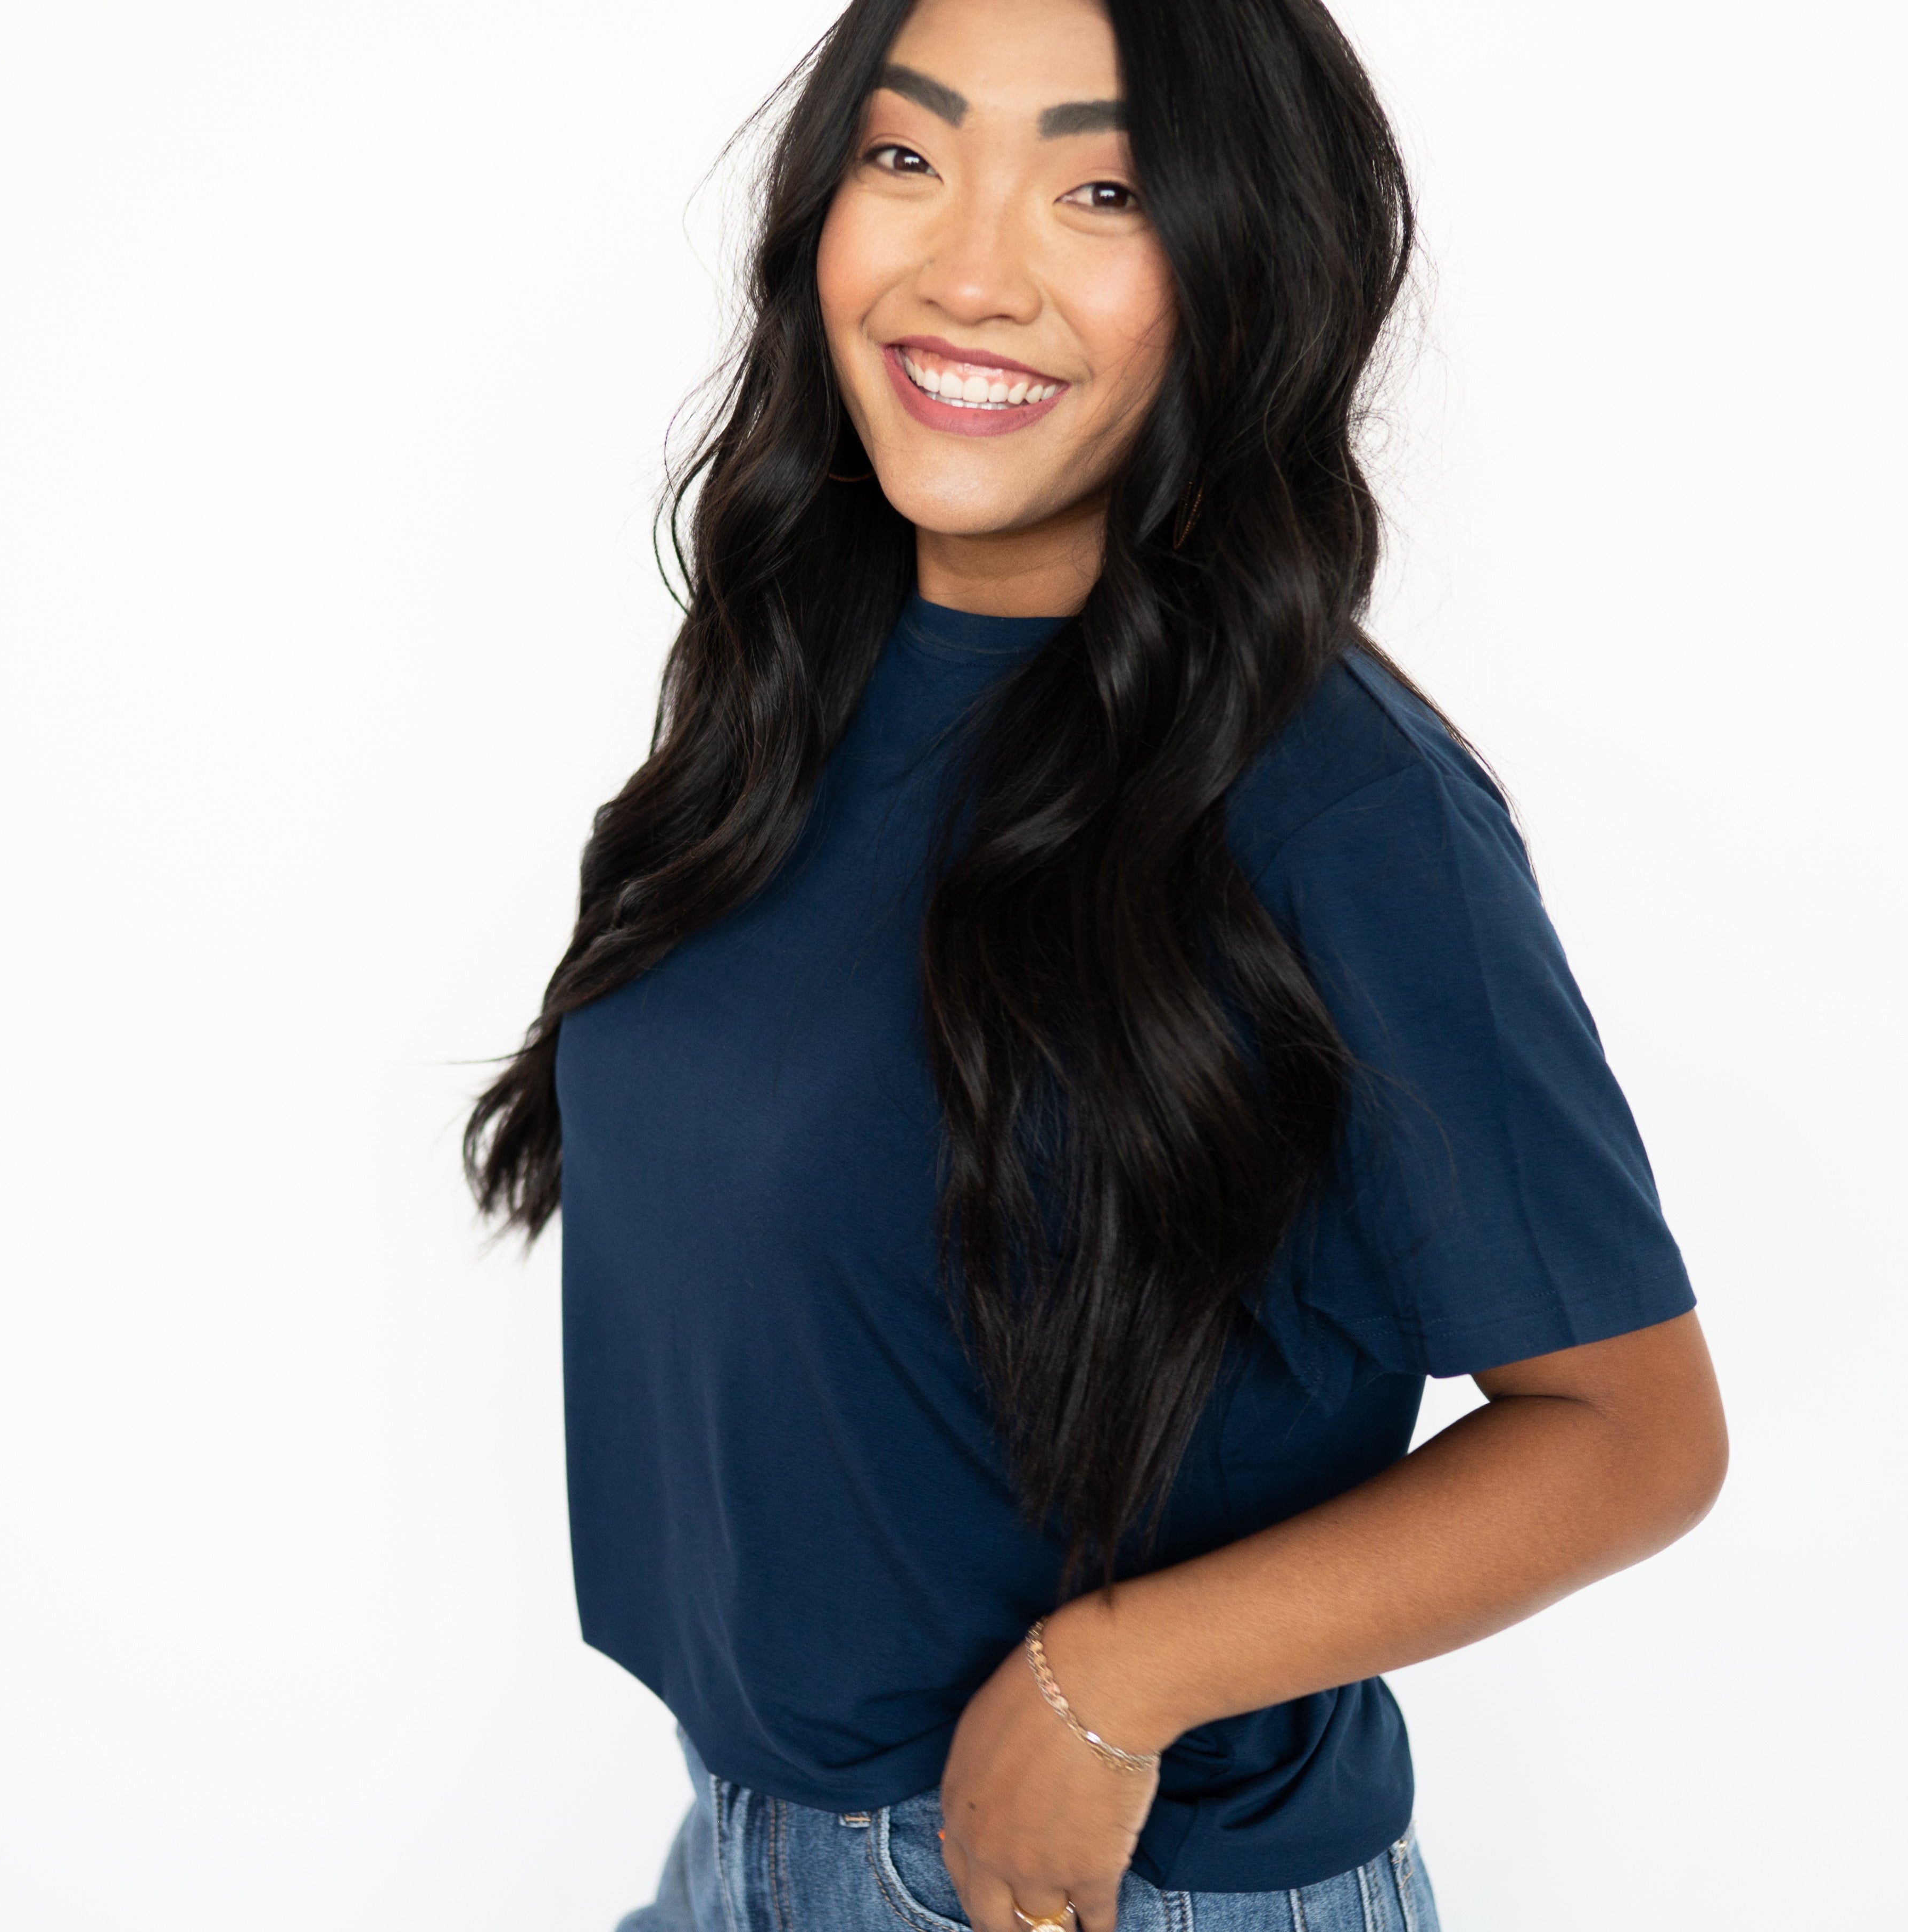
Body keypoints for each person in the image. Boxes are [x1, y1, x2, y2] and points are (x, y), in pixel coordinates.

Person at [465, 1, 1729, 1928]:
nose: (969, 270)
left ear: (1244, 278)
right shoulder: (788, 691)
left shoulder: (1337, 806)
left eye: (1103, 187)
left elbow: (1635, 1435)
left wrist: (1113, 1681)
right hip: (742, 1851)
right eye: (906, 157)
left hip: (1103, 1888)